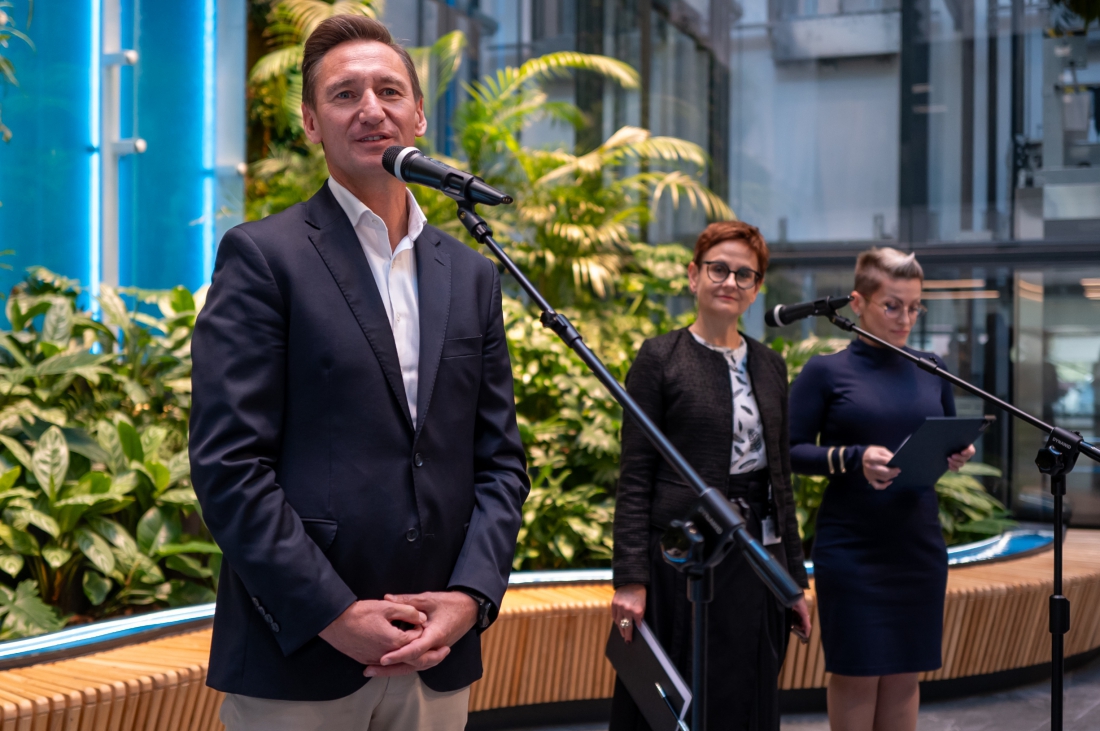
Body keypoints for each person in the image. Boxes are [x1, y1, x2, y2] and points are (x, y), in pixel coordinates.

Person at [188, 16, 529, 731]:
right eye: (345, 94)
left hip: (437, 653)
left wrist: (470, 597)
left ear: (419, 113)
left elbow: (500, 462)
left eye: (389, 90)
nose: (371, 108)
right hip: (300, 656)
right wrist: (333, 613)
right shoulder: (263, 257)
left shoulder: (471, 275)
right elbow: (229, 465)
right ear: (312, 123)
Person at [609, 221, 813, 731]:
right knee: (677, 701)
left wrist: (794, 582)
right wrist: (631, 580)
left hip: (757, 558)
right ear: (693, 275)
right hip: (683, 558)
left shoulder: (770, 364)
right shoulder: (660, 357)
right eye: (718, 269)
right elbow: (635, 476)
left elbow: (781, 479)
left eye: (745, 274)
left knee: (745, 696)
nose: (730, 282)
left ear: (757, 288)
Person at [788, 248, 975, 731]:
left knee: (904, 676)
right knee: (857, 674)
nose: (905, 318)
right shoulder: (825, 371)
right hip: (853, 548)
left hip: (917, 545)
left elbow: (944, 437)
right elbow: (787, 451)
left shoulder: (933, 367)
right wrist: (853, 458)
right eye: (892, 306)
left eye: (914, 307)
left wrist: (954, 454)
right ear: (857, 302)